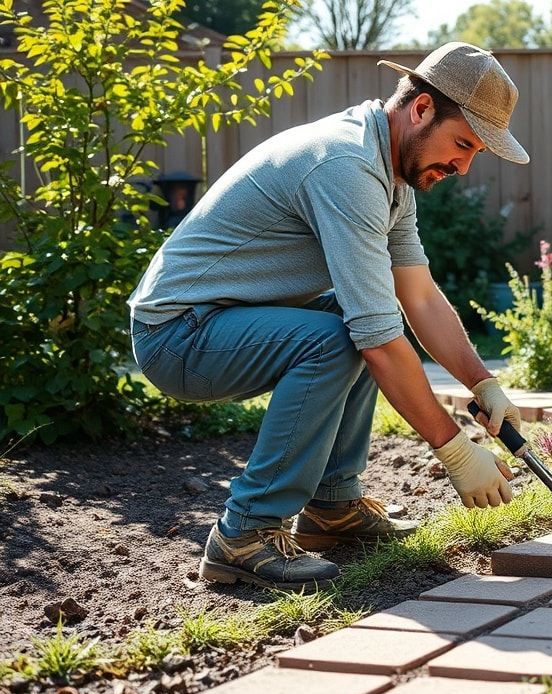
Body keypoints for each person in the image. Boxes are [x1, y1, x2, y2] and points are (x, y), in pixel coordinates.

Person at [127, 42, 529, 591]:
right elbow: (380, 339)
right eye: (463, 143)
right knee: (343, 337)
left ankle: (333, 508)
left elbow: (419, 296)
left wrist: (482, 382)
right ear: (421, 109)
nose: (462, 166)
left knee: (352, 318)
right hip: (178, 334)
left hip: (225, 321)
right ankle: (244, 534)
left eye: (475, 153)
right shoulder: (345, 165)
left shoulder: (391, 171)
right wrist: (454, 450)